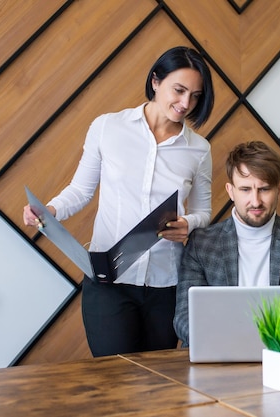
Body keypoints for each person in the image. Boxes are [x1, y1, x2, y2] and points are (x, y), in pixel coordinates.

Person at [23, 46, 215, 356]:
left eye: (195, 96)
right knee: (113, 380)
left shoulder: (199, 149)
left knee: (156, 384)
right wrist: (48, 211)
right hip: (108, 281)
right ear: (155, 81)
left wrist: (189, 225)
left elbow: (204, 212)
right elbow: (80, 190)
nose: (185, 104)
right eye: (179, 91)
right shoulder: (107, 127)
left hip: (166, 285)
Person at [173, 140, 280, 347]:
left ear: (279, 189)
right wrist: (228, 344)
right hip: (219, 356)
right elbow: (184, 318)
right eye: (246, 189)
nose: (256, 201)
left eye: (264, 189)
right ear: (230, 191)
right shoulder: (202, 243)